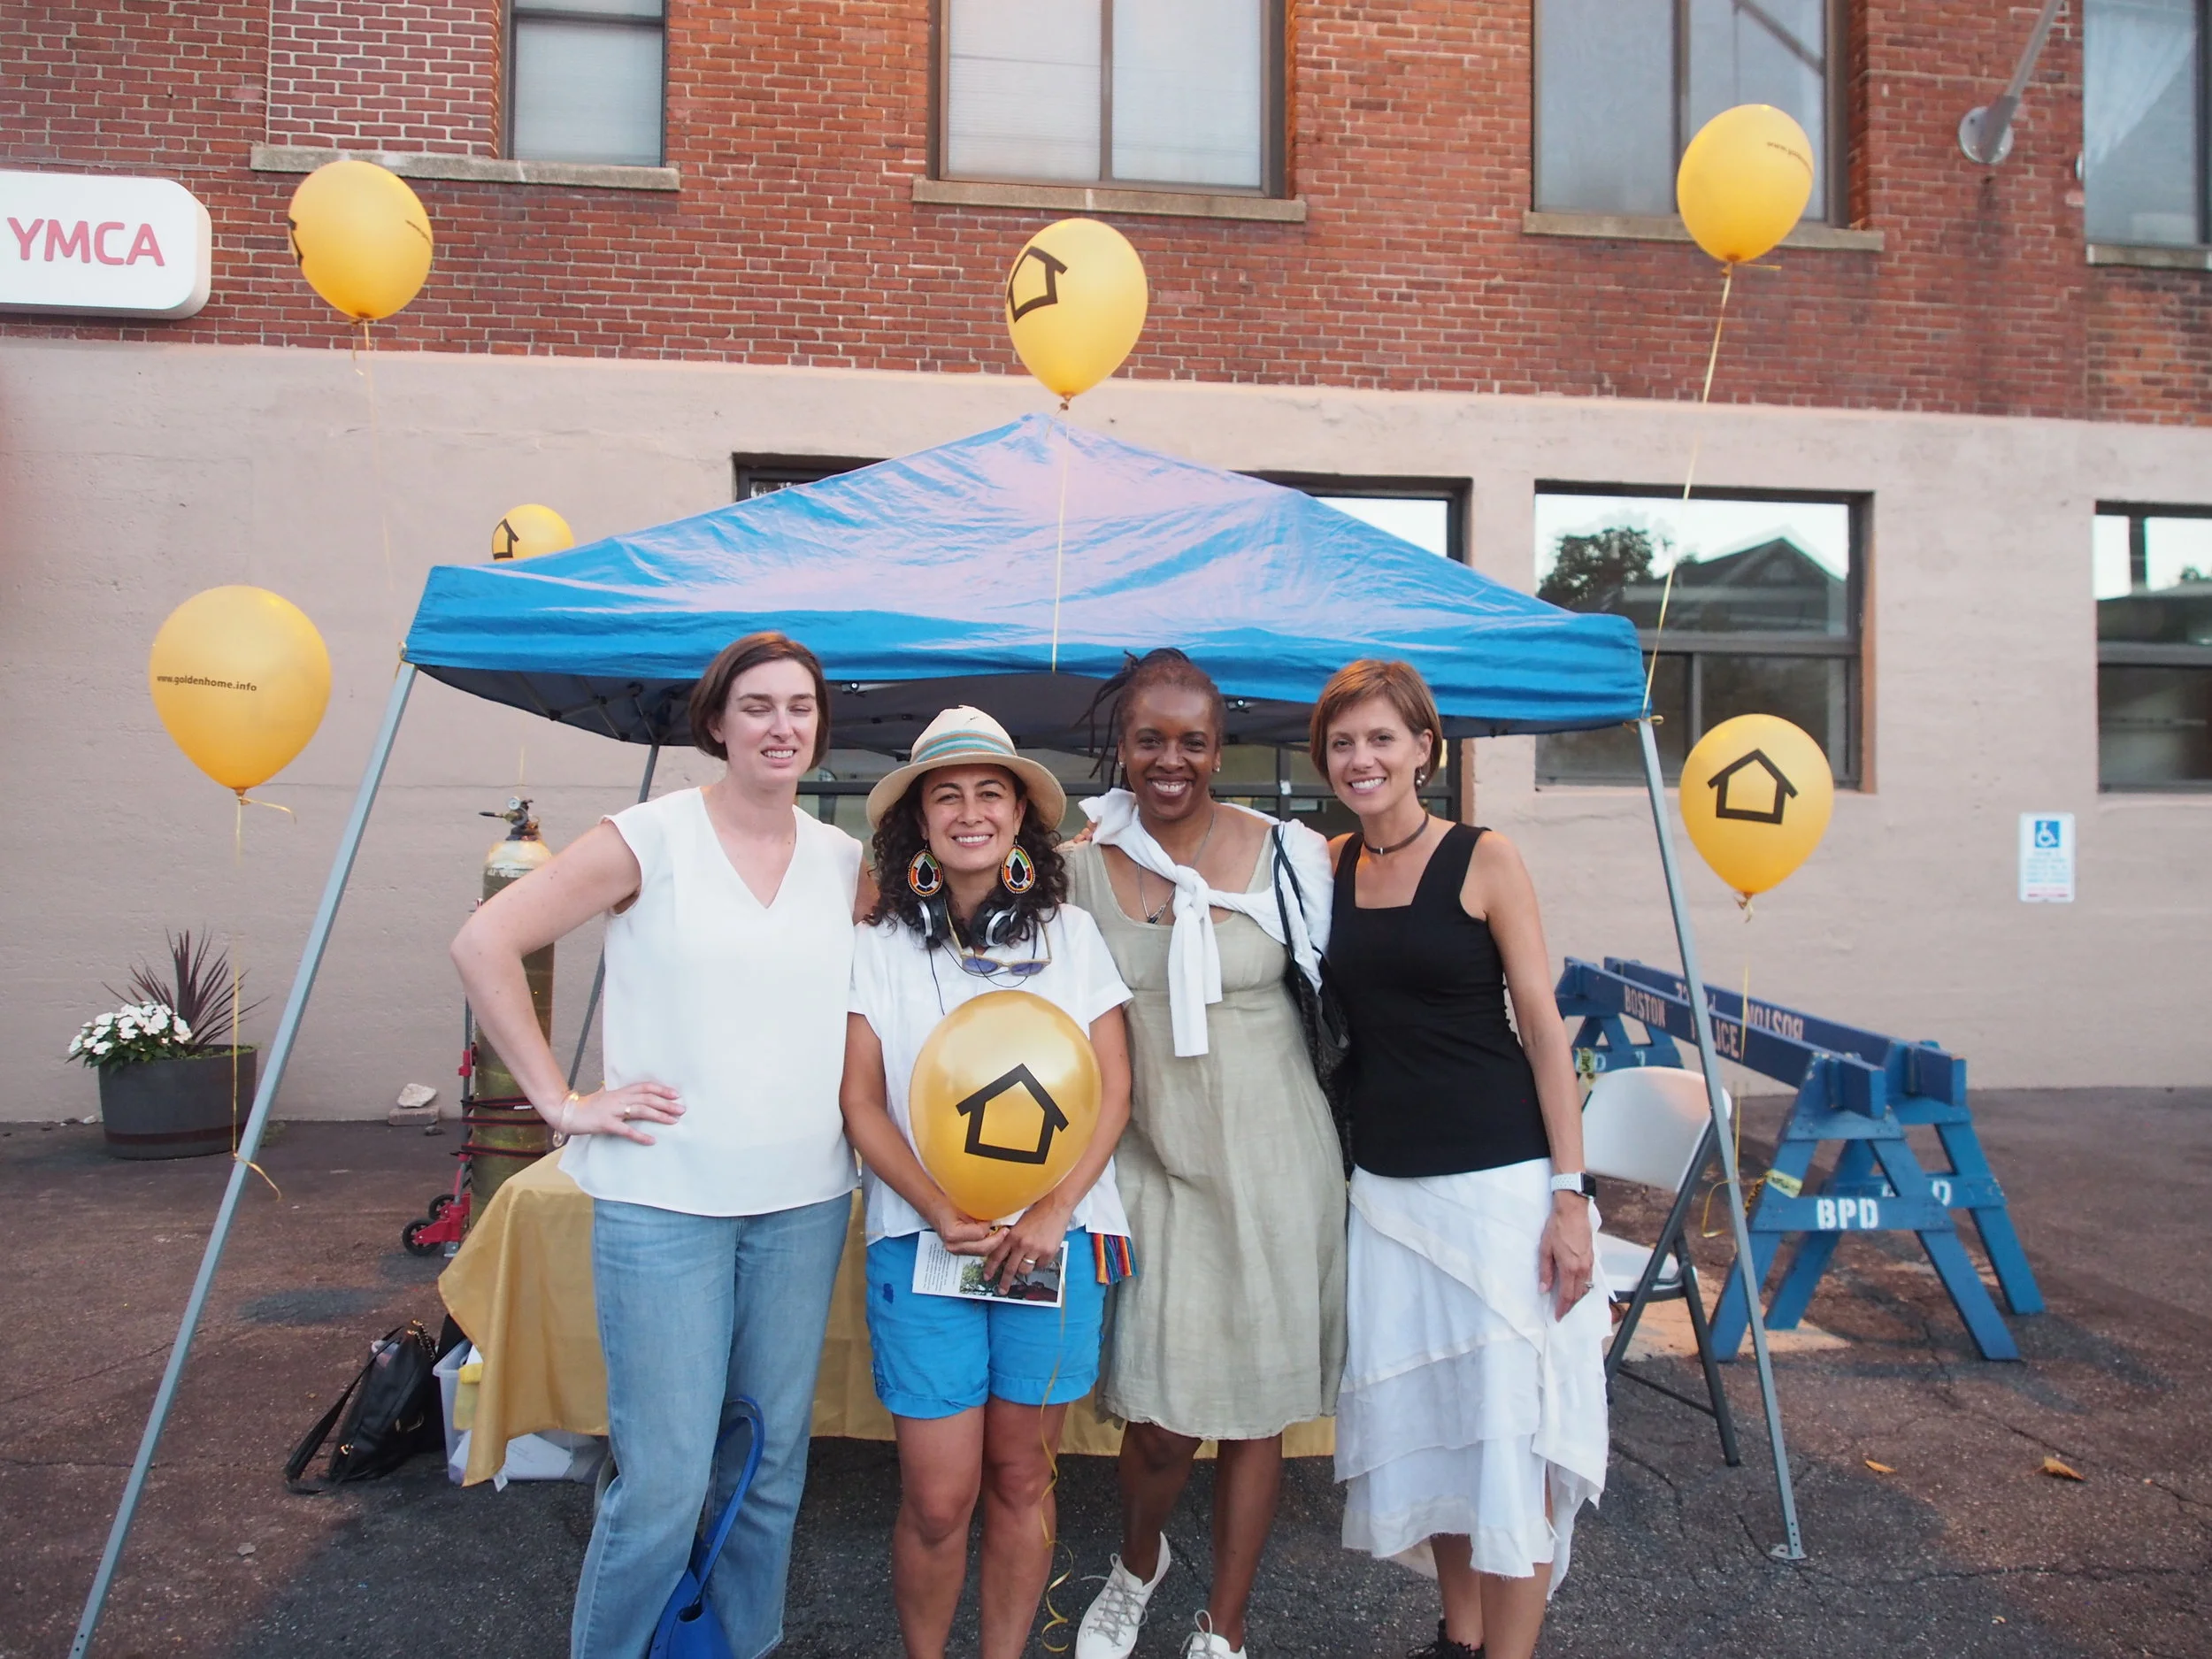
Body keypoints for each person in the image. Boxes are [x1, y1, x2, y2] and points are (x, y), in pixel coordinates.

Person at [449, 632, 865, 1659]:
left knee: (767, 1471)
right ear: (716, 723)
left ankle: (740, 1644)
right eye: (758, 706)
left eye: (800, 707)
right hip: (663, 1205)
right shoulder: (652, 836)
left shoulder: (846, 862)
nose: (782, 726)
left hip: (803, 1200)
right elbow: (485, 942)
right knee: (667, 1480)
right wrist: (559, 1099)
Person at [1313, 659, 1607, 1659]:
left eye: (1381, 739)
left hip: (1499, 1187)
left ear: (1424, 751)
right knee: (1438, 1426)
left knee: (1509, 1435)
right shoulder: (1326, 866)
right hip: (1388, 1192)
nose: (1362, 759)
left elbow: (1543, 1031)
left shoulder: (1486, 858)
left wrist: (1570, 1197)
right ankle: (1462, 1634)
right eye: (1344, 742)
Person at [1065, 649, 1345, 1659]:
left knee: (1256, 1413)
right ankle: (1139, 1560)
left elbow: (1365, 989)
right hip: (1152, 1165)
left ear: (1219, 748)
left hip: (1277, 1166)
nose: (1170, 760)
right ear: (1123, 746)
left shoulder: (1288, 857)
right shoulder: (1079, 866)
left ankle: (1222, 1628)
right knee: (1160, 1418)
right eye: (1151, 739)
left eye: (1192, 741)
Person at [839, 706, 1135, 1659]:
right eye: (947, 796)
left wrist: (1053, 1211)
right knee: (937, 1497)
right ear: (916, 823)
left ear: (1018, 816)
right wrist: (935, 1206)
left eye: (990, 793)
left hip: (1053, 1247)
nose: (970, 813)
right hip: (922, 1245)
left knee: (1021, 1478)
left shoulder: (1071, 934)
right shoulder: (880, 945)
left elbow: (1112, 1092)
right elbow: (861, 1104)